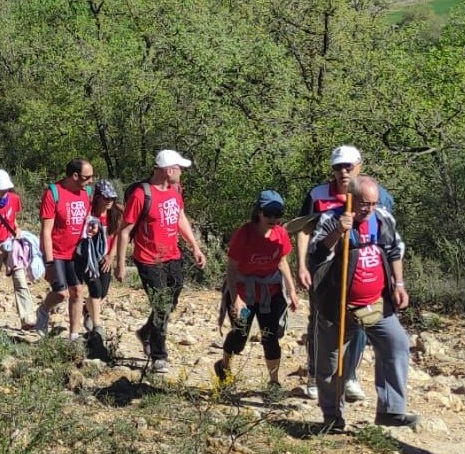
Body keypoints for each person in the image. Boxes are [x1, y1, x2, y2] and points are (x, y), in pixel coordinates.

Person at [306, 178, 416, 432]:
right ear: (350, 199)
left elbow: (394, 251)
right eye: (365, 203)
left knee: (396, 343)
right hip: (339, 307)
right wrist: (337, 232)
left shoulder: (382, 219)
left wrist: (399, 285)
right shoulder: (330, 219)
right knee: (331, 365)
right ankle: (332, 418)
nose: (369, 208)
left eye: (374, 203)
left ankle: (391, 409)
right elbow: (317, 256)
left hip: (376, 303)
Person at [295, 146, 394, 402]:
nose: (343, 172)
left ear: (360, 166)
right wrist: (303, 265)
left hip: (360, 271)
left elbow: (386, 234)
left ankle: (349, 375)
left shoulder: (376, 195)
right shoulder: (318, 194)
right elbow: (305, 229)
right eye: (338, 167)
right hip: (326, 269)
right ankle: (316, 374)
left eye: (348, 166)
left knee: (360, 323)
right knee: (320, 321)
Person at [113, 149, 206, 375]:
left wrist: (194, 245)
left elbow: (180, 216)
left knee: (170, 302)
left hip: (172, 256)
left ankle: (146, 332)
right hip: (148, 258)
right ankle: (158, 355)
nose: (181, 173)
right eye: (180, 169)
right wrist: (120, 263)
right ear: (169, 170)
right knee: (162, 305)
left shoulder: (175, 190)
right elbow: (125, 231)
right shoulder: (141, 195)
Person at [214, 190, 298, 389]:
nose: (273, 218)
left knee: (270, 337)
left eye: (277, 214)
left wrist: (292, 290)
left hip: (271, 292)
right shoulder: (244, 234)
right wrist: (236, 298)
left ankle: (274, 382)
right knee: (240, 335)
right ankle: (224, 366)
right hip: (244, 290)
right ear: (259, 212)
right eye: (268, 213)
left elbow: (283, 262)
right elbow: (232, 269)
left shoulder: (281, 234)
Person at [34, 159, 93, 338]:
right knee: (61, 293)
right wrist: (49, 262)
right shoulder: (53, 194)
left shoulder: (87, 193)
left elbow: (89, 218)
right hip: (57, 251)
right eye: (87, 177)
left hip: (77, 252)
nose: (91, 181)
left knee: (77, 291)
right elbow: (46, 230)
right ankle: (43, 310)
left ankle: (74, 334)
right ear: (75, 176)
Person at [0, 169, 37, 331]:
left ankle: (27, 317)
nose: (4, 191)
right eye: (1, 188)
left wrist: (17, 230)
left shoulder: (14, 199)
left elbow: (13, 220)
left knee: (20, 280)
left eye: (6, 188)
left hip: (11, 244)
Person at [78, 179, 121, 355]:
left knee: (103, 291)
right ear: (97, 197)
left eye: (112, 197)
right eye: (105, 197)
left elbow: (117, 234)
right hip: (90, 256)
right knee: (95, 289)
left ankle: (86, 310)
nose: (109, 201)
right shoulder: (89, 212)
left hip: (105, 257)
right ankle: (97, 325)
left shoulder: (116, 213)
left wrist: (112, 256)